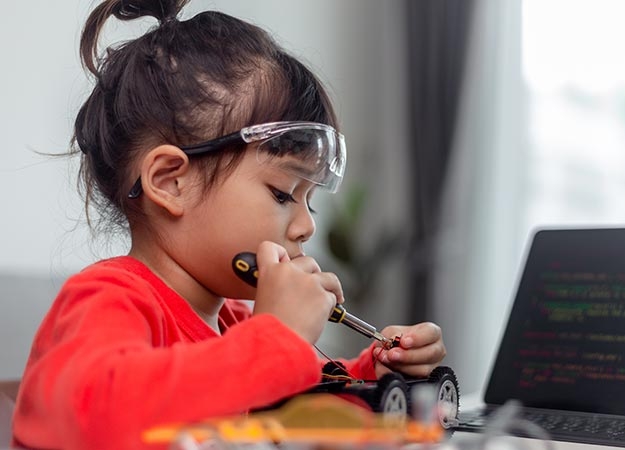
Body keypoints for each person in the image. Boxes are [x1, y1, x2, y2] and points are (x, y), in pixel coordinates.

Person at [11, 0, 446, 449]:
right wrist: (276, 340)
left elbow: (294, 415)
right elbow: (95, 421)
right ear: (171, 182)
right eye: (281, 194)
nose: (305, 227)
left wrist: (375, 379)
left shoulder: (239, 326)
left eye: (308, 204)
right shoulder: (111, 300)